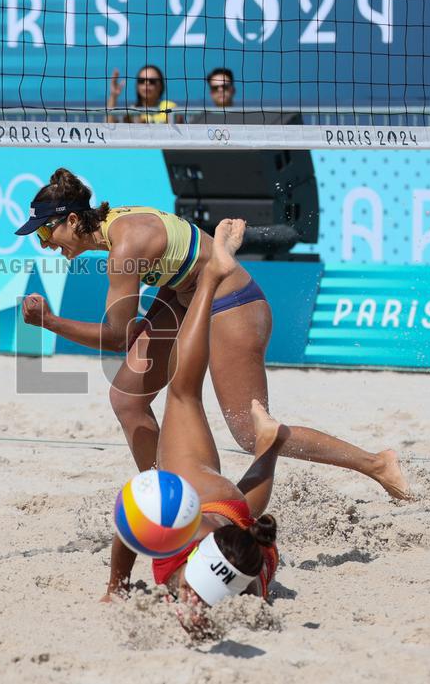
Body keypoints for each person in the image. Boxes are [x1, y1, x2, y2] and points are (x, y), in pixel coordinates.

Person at [12, 169, 410, 593]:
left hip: (232, 301)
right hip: (185, 295)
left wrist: (49, 322)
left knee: (248, 429)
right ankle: (169, 505)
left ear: (73, 221)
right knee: (127, 398)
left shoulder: (124, 246)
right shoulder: (116, 230)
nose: (46, 244)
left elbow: (115, 337)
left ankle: (376, 464)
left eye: (46, 233)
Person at [112, 219, 284, 612]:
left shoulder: (250, 586)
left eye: (191, 594)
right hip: (215, 508)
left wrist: (117, 587)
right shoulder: (188, 535)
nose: (190, 602)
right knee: (183, 391)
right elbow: (131, 523)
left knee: (182, 392)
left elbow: (128, 524)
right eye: (194, 592)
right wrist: (115, 587)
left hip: (231, 517)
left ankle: (268, 451)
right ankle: (209, 278)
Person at [107, 66, 176, 123]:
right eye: (142, 81)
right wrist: (113, 96)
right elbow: (110, 130)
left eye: (152, 81)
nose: (146, 83)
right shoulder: (132, 111)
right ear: (137, 86)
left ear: (161, 85)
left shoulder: (170, 106)